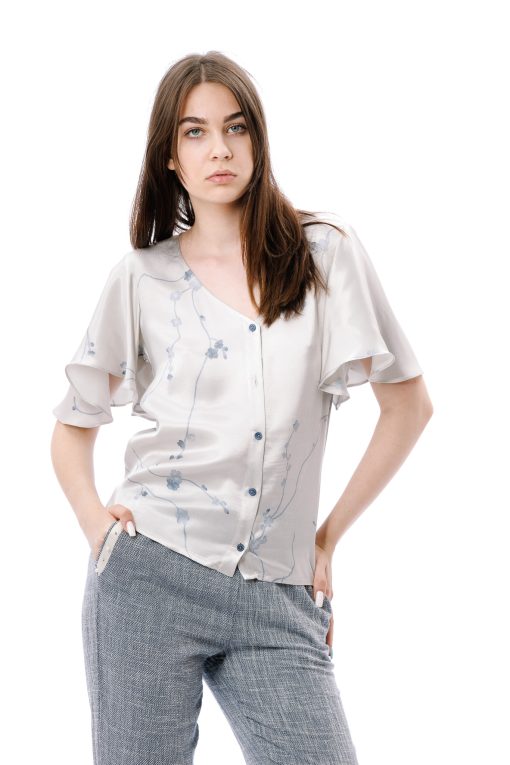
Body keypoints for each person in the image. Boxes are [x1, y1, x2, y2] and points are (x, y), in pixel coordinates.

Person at [50, 50, 433, 765]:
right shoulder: (140, 278)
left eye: (235, 128)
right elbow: (72, 429)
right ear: (171, 156)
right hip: (149, 577)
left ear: (258, 139)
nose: (219, 149)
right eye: (194, 133)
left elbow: (409, 406)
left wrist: (326, 539)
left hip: (279, 595)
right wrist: (97, 528)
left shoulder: (325, 255)